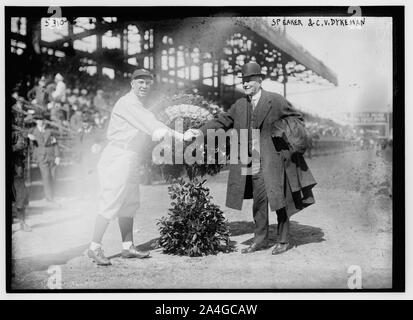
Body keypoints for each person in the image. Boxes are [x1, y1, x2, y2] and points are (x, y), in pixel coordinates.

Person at [185, 62, 317, 255]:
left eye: (249, 80)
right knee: (260, 201)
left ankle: (283, 239)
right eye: (244, 81)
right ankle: (260, 240)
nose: (246, 84)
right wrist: (200, 131)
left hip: (274, 159)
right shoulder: (239, 105)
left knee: (279, 199)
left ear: (259, 81)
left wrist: (282, 132)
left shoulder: (276, 100)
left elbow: (297, 119)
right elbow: (221, 121)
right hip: (252, 161)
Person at [87, 68, 186, 266]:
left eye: (147, 82)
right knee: (111, 201)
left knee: (129, 203)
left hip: (130, 156)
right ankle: (94, 247)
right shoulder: (127, 103)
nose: (144, 86)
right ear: (132, 84)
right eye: (140, 82)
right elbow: (151, 123)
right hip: (117, 155)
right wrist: (180, 136)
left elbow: (152, 123)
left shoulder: (139, 105)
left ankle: (127, 247)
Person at [27, 113, 61, 202]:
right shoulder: (32, 131)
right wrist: (29, 138)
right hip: (41, 157)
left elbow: (55, 144)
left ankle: (52, 194)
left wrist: (57, 156)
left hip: (51, 155)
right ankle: (49, 197)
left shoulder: (49, 131)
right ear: (36, 121)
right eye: (38, 120)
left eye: (42, 120)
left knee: (53, 176)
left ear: (44, 121)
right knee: (46, 176)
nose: (40, 122)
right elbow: (27, 140)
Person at [12, 110, 31, 231]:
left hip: (17, 167)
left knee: (21, 195)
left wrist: (24, 142)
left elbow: (24, 146)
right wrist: (15, 147)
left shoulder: (18, 131)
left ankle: (22, 223)